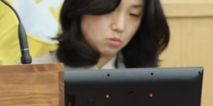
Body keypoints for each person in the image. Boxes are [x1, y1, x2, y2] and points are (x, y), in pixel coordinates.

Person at [33, 0, 169, 69]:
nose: (120, 26)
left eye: (134, 14)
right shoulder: (34, 74)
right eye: (109, 10)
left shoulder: (148, 83)